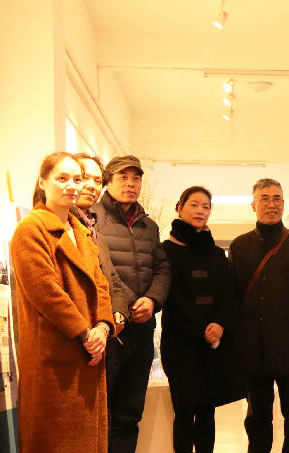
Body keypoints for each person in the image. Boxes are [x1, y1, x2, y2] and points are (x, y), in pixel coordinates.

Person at [11, 152, 114, 453]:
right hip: (55, 353)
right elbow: (45, 291)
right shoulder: (31, 229)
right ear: (43, 182)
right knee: (55, 441)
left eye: (77, 179)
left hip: (89, 352)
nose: (72, 185)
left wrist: (103, 328)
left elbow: (101, 285)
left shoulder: (82, 233)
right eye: (62, 178)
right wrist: (85, 333)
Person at [229, 178, 289, 453]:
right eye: (265, 199)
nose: (272, 204)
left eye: (277, 198)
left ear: (283, 204)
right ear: (253, 205)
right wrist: (234, 338)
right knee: (257, 414)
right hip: (252, 344)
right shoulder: (239, 245)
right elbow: (232, 295)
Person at [90, 155, 171, 453]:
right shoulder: (92, 218)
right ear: (108, 181)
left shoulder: (149, 226)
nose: (130, 184)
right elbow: (101, 271)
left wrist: (152, 299)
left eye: (136, 178)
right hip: (108, 328)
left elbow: (162, 268)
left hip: (141, 329)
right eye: (123, 177)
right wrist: (123, 305)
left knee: (130, 410)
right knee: (102, 410)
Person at [161, 186, 245, 453]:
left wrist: (220, 324)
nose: (200, 211)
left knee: (208, 410)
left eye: (206, 206)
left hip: (213, 344)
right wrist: (202, 328)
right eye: (194, 205)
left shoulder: (217, 253)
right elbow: (173, 296)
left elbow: (228, 293)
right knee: (185, 411)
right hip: (181, 343)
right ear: (179, 208)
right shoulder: (166, 250)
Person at [73, 153, 130, 334]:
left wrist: (118, 310)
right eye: (84, 178)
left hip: (101, 331)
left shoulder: (95, 233)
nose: (91, 186)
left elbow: (113, 280)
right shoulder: (61, 228)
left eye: (98, 181)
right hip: (77, 331)